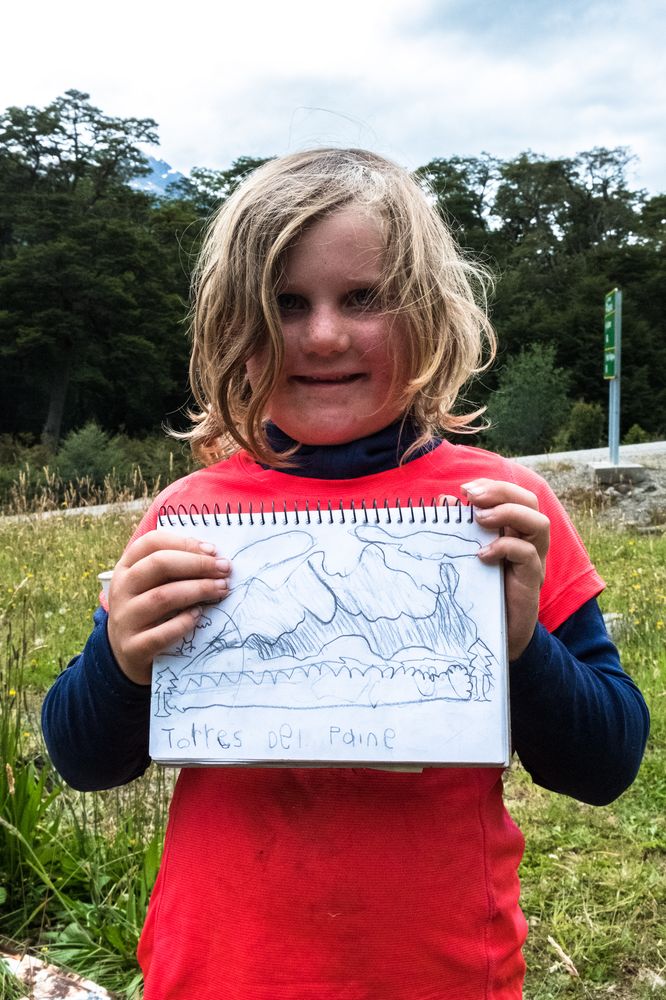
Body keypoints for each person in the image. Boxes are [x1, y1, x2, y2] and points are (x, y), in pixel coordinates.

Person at [42, 148, 649, 1000]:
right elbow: (84, 759)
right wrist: (121, 660)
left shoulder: (503, 512)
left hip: (440, 975)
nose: (324, 336)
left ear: (429, 313)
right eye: (286, 304)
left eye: (363, 298)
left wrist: (523, 646)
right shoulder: (188, 517)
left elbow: (607, 763)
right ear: (231, 327)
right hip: (219, 973)